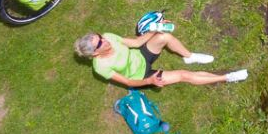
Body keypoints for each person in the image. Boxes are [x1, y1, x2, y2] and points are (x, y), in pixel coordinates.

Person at [74, 30, 247, 89]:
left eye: (100, 37)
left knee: (164, 36)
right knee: (183, 75)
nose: (104, 40)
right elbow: (128, 82)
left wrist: (155, 29)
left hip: (141, 55)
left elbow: (136, 43)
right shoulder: (101, 67)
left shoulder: (109, 37)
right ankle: (227, 77)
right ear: (94, 53)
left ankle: (189, 56)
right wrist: (149, 81)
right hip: (142, 75)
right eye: (100, 43)